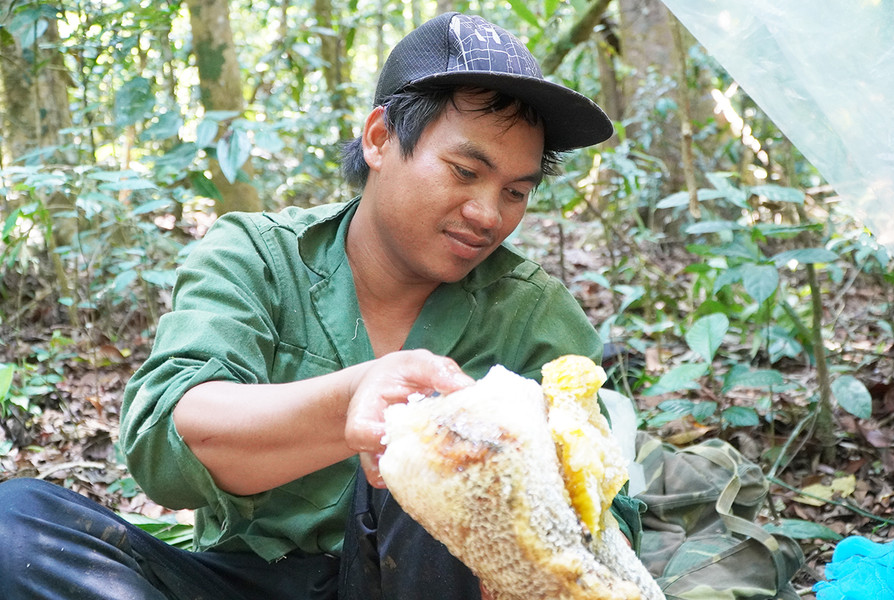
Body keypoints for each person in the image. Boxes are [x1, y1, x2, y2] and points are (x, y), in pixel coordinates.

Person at [0, 11, 642, 599]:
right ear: (380, 137)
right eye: (464, 172)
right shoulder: (255, 256)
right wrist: (353, 399)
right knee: (18, 527)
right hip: (240, 579)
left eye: (516, 192)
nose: (488, 214)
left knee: (448, 454)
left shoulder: (535, 315)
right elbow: (167, 440)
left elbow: (605, 524)